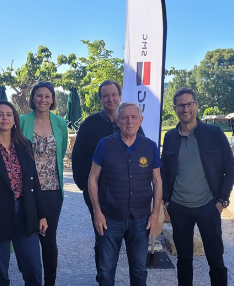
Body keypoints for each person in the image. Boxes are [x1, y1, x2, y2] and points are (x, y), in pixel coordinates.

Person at [161, 87, 234, 286]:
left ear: (196, 105)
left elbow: (230, 167)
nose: (185, 109)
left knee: (216, 260)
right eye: (180, 105)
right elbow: (164, 171)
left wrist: (221, 200)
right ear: (175, 108)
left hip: (208, 207)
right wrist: (167, 201)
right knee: (184, 260)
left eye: (189, 104)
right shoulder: (169, 137)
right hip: (179, 208)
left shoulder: (214, 133)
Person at [72, 80, 144, 281]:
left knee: (131, 243)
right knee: (101, 238)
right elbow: (77, 158)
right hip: (99, 195)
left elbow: (142, 151)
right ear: (101, 99)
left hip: (127, 197)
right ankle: (102, 276)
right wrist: (85, 188)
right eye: (105, 95)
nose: (110, 99)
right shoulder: (90, 124)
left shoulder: (131, 121)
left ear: (119, 96)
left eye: (113, 94)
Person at [0, 101, 48, 286]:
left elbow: (34, 182)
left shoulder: (25, 145)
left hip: (25, 212)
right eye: (0, 114)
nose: (5, 118)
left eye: (9, 114)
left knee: (34, 269)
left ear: (15, 120)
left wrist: (42, 214)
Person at [88, 102, 162, 286]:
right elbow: (92, 179)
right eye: (125, 117)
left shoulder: (150, 146)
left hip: (141, 219)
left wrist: (155, 215)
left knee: (139, 270)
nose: (129, 121)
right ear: (118, 121)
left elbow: (158, 181)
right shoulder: (104, 144)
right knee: (106, 270)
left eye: (134, 117)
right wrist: (97, 212)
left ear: (141, 120)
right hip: (110, 218)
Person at [19, 82, 68, 286]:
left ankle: (49, 282)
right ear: (33, 98)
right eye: (39, 96)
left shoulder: (60, 123)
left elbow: (61, 150)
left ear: (53, 99)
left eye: (47, 96)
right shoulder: (21, 121)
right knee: (27, 238)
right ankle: (31, 281)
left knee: (48, 239)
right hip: (26, 190)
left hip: (52, 190)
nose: (43, 100)